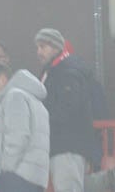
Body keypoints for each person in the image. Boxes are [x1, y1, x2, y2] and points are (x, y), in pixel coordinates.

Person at [35, 28, 107, 192]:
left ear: (56, 47)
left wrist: (39, 118)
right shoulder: (57, 71)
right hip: (65, 147)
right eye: (37, 47)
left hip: (66, 147)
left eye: (43, 47)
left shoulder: (66, 73)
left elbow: (67, 110)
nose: (38, 52)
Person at [0, 62, 51, 192]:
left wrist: (5, 170)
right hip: (36, 177)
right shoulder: (35, 100)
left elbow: (18, 137)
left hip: (17, 176)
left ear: (2, 80)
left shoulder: (14, 96)